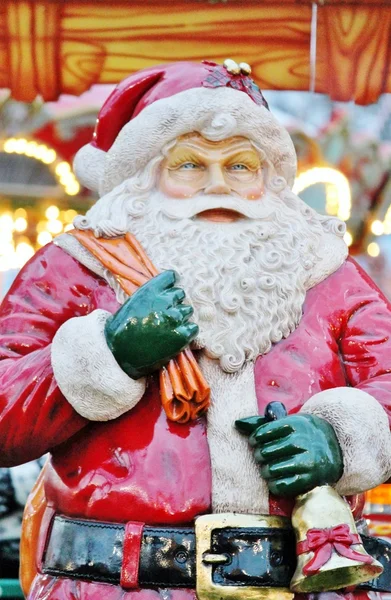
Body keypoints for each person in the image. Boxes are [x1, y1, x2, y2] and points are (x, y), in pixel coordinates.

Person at [0, 60, 391, 600]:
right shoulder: (72, 270)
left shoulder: (332, 277)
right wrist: (108, 354)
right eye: (188, 164)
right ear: (144, 176)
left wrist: (343, 439)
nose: (216, 184)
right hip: (114, 585)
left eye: (239, 166)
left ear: (268, 179)